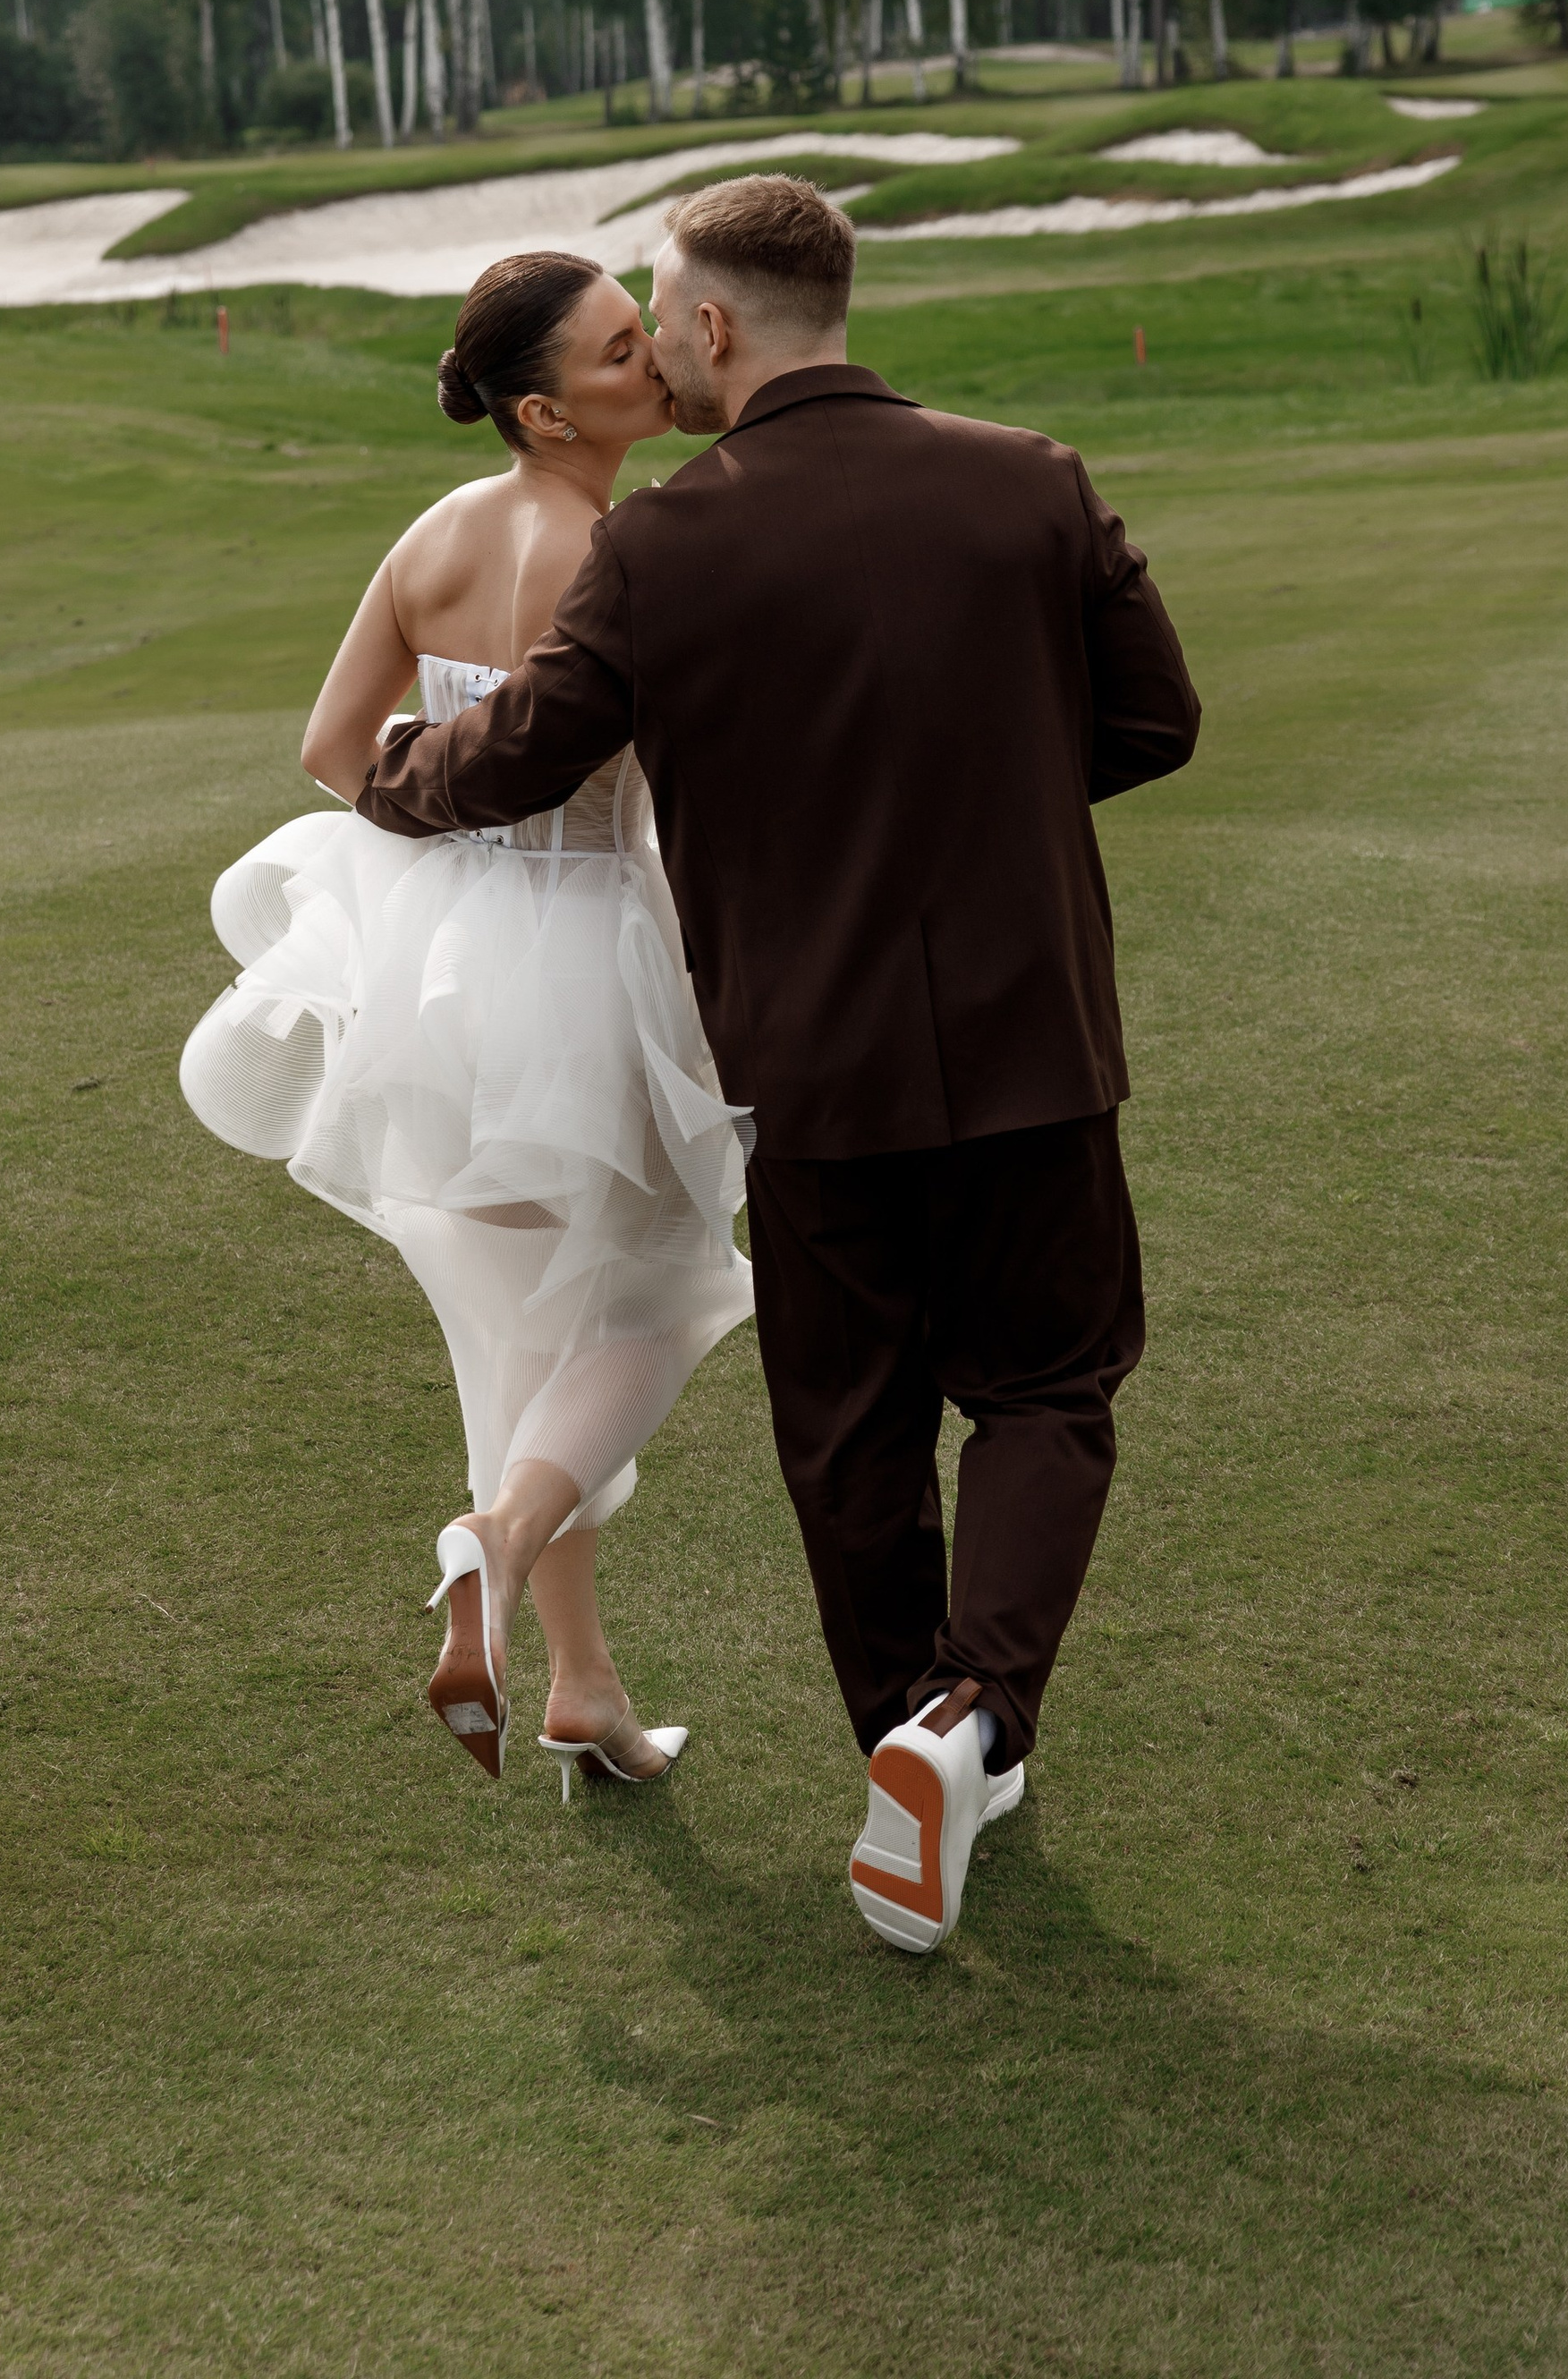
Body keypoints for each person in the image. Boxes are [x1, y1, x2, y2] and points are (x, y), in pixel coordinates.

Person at [354, 174, 1201, 1951]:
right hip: (1035, 1040)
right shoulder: (1025, 478)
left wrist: (389, 783)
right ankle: (972, 1731)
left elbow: (512, 757)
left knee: (850, 1438)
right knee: (1047, 1391)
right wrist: (992, 818)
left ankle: (916, 1728)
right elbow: (1152, 719)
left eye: (657, 313)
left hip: (809, 1070)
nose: (652, 344)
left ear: (718, 325)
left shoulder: (666, 541)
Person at [178, 251, 752, 1797]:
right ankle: (495, 1545)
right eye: (626, 350)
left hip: (438, 974)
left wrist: (457, 830)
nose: (659, 362)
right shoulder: (621, 554)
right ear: (546, 409)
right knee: (657, 1304)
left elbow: (329, 747)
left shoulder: (433, 534)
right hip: (588, 962)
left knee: (522, 1340)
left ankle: (581, 1684)